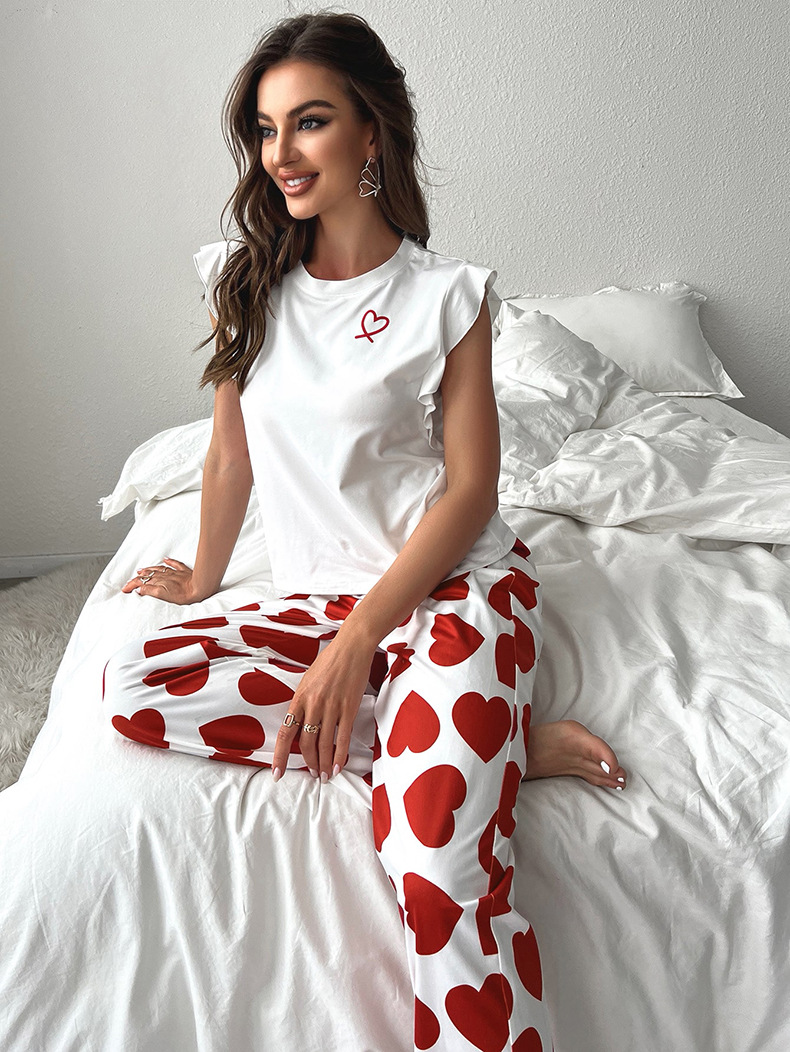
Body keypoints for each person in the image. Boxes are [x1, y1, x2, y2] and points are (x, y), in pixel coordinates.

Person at [102, 11, 627, 1051]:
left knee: (433, 860)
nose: (281, 153)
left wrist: (357, 640)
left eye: (309, 122)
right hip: (319, 601)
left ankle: (464, 748)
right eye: (266, 130)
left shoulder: (448, 297)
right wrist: (202, 573)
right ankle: (496, 745)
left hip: (450, 591)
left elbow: (470, 493)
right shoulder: (242, 281)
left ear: (370, 132)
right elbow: (229, 458)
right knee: (133, 682)